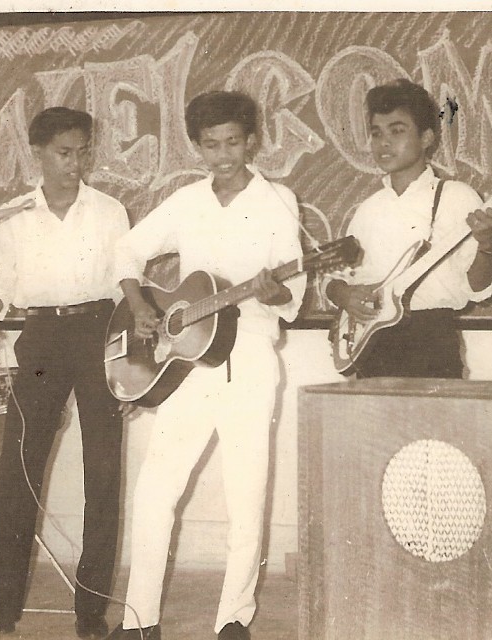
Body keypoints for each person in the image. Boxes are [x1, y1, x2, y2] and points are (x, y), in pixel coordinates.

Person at [110, 91, 306, 640]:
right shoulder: (186, 201)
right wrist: (141, 306)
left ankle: (233, 620)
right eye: (211, 144)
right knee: (155, 490)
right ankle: (138, 620)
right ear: (197, 146)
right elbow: (126, 252)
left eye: (233, 143)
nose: (223, 155)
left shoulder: (278, 202)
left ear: (252, 141)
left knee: (246, 494)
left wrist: (272, 290)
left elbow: (294, 295)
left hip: (250, 359)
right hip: (187, 363)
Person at [0, 107, 130, 640]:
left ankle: (91, 612)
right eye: (64, 153)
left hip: (99, 332)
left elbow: (124, 285)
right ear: (37, 153)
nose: (75, 163)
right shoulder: (8, 218)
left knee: (102, 474)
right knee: (17, 470)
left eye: (83, 152)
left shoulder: (110, 211)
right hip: (41, 336)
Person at [322, 78, 492, 379]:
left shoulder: (458, 197)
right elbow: (331, 277)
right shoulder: (367, 209)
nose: (384, 142)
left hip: (432, 341)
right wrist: (343, 295)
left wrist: (486, 246)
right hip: (371, 347)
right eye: (376, 133)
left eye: (397, 131)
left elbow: (478, 289)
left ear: (427, 137)